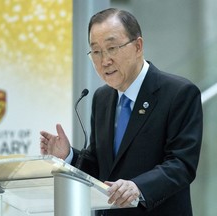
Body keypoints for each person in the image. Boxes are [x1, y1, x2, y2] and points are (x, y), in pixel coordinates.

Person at [40, 8, 203, 216]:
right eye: (96, 52)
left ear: (138, 46)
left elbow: (181, 165)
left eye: (112, 48)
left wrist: (139, 187)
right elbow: (101, 167)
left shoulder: (178, 93)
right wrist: (69, 155)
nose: (104, 61)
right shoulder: (102, 98)